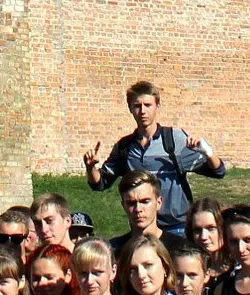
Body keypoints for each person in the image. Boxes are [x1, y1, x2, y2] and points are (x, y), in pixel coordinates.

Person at [83, 80, 225, 237]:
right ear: (130, 108)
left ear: (157, 106)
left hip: (177, 227)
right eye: (137, 106)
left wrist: (208, 153)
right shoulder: (124, 147)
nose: (142, 111)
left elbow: (218, 171)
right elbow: (100, 183)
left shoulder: (174, 140)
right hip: (143, 229)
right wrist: (90, 168)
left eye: (148, 105)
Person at [113, 171, 166, 255]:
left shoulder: (178, 248)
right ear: (123, 206)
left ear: (158, 203)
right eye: (131, 203)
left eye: (145, 201)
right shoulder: (113, 251)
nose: (138, 209)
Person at [185, 197, 226, 279]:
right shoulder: (185, 269)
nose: (203, 236)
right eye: (197, 230)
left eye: (211, 228)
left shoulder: (239, 267)